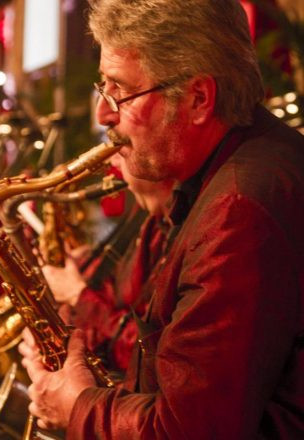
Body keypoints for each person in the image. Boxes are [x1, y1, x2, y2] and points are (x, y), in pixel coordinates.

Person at [19, 0, 304, 438]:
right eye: (102, 87)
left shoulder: (238, 209)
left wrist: (77, 405)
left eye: (120, 90)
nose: (102, 114)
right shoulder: (243, 171)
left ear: (198, 99)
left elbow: (186, 430)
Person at [43, 154, 174, 372]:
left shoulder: (177, 229)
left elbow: (148, 354)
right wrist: (86, 265)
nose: (113, 161)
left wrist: (78, 295)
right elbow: (125, 291)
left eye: (123, 147)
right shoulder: (148, 214)